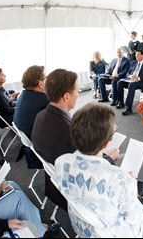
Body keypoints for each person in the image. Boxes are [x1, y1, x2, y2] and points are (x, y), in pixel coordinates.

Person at [54, 103, 143, 237]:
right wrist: (130, 185)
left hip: (80, 225)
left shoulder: (61, 161)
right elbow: (135, 219)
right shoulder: (121, 180)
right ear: (107, 143)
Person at [32, 69, 120, 211]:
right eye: (77, 91)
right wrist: (109, 158)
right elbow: (88, 167)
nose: (78, 95)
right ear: (66, 97)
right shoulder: (69, 131)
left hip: (52, 180)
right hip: (72, 192)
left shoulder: (40, 116)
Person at [13, 65, 48, 169]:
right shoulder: (44, 101)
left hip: (30, 149)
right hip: (42, 154)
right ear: (40, 83)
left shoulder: (23, 96)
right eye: (46, 78)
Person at [116, 49, 143, 116]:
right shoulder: (133, 62)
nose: (136, 56)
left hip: (142, 82)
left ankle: (128, 108)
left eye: (138, 55)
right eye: (136, 55)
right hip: (131, 80)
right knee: (120, 83)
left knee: (131, 85)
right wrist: (130, 76)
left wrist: (138, 78)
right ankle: (121, 102)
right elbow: (127, 74)